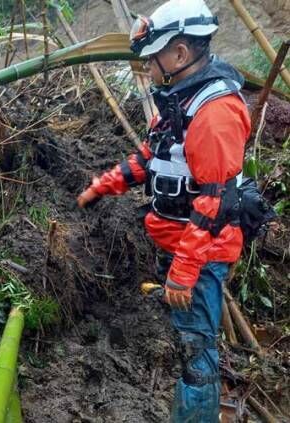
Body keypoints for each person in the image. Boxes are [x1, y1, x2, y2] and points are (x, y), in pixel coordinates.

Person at [77, 0, 251, 421]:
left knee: (196, 352)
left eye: (152, 58)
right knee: (188, 340)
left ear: (179, 53)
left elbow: (215, 204)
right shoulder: (180, 99)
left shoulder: (214, 113)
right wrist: (102, 187)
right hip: (180, 243)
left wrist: (185, 272)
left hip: (202, 254)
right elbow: (151, 157)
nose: (147, 68)